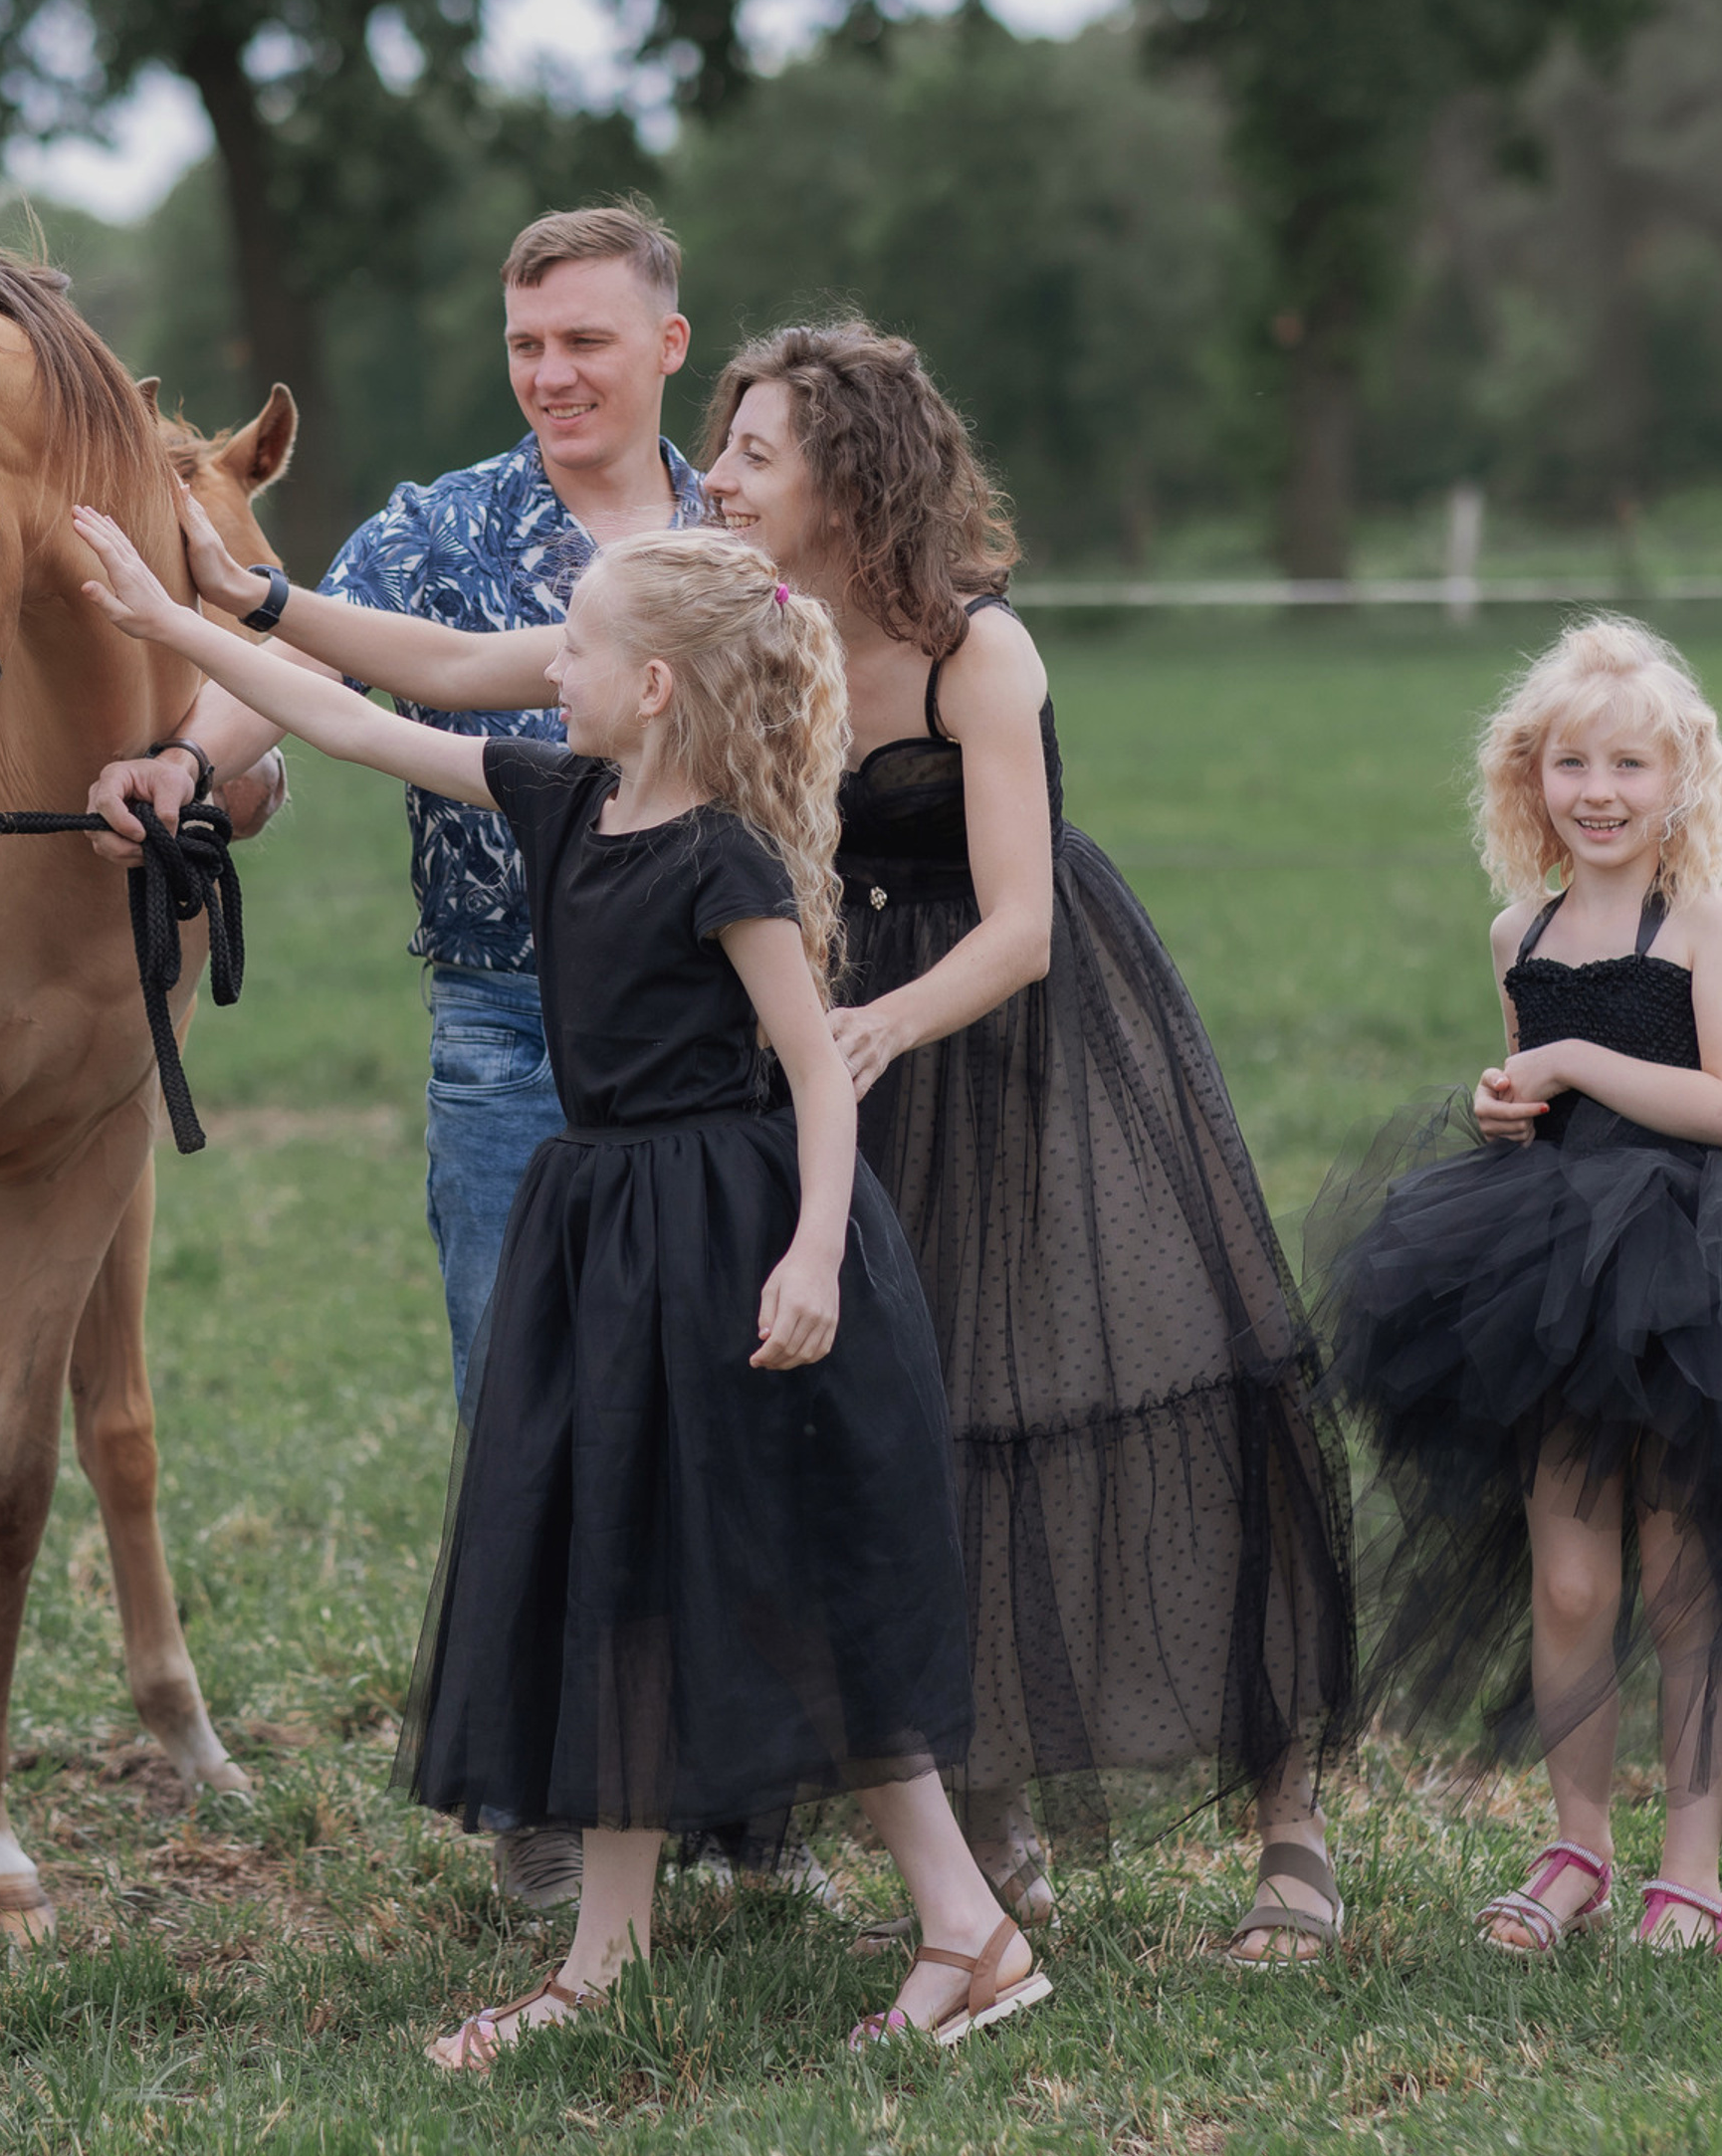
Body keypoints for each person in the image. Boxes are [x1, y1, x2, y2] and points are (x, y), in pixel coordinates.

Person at [178, 321, 1361, 1964]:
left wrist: (879, 1023)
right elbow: (445, 684)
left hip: (994, 1025)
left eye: (749, 453)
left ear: (847, 478)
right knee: (887, 1426)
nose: (713, 474)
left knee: (1107, 1390)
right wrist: (252, 605)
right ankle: (975, 1813)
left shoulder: (975, 655)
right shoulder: (728, 630)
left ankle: (1288, 1817)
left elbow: (1020, 927)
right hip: (809, 1023)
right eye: (722, 447)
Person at [75, 505, 1051, 2056]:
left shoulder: (723, 856)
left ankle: (968, 1930)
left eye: (579, 647)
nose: (554, 670)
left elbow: (816, 1072)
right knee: (621, 1572)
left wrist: (810, 1259)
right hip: (607, 1234)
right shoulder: (560, 796)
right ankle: (604, 1965)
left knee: (801, 1579)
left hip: (739, 1240)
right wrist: (161, 612)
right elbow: (341, 719)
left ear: (655, 686)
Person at [89, 202, 708, 1909]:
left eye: (585, 340)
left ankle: (737, 1786)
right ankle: (542, 1793)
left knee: (722, 1408)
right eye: (526, 345)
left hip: (720, 1037)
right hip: (509, 1027)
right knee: (527, 1403)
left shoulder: (742, 527)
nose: (553, 373)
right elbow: (295, 664)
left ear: (665, 342)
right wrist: (193, 773)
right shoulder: (440, 527)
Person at [1310, 617, 1722, 1953]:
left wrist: (1578, 1068)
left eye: (1628, 768)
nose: (1597, 793)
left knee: (1680, 1575)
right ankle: (1576, 1847)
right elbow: (1532, 1093)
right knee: (1568, 1583)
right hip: (1550, 1279)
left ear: (1682, 782)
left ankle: (1696, 1865)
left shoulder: (1701, 922)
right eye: (1569, 765)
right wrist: (1510, 1107)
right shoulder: (1520, 929)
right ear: (1526, 778)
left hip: (1685, 1279)